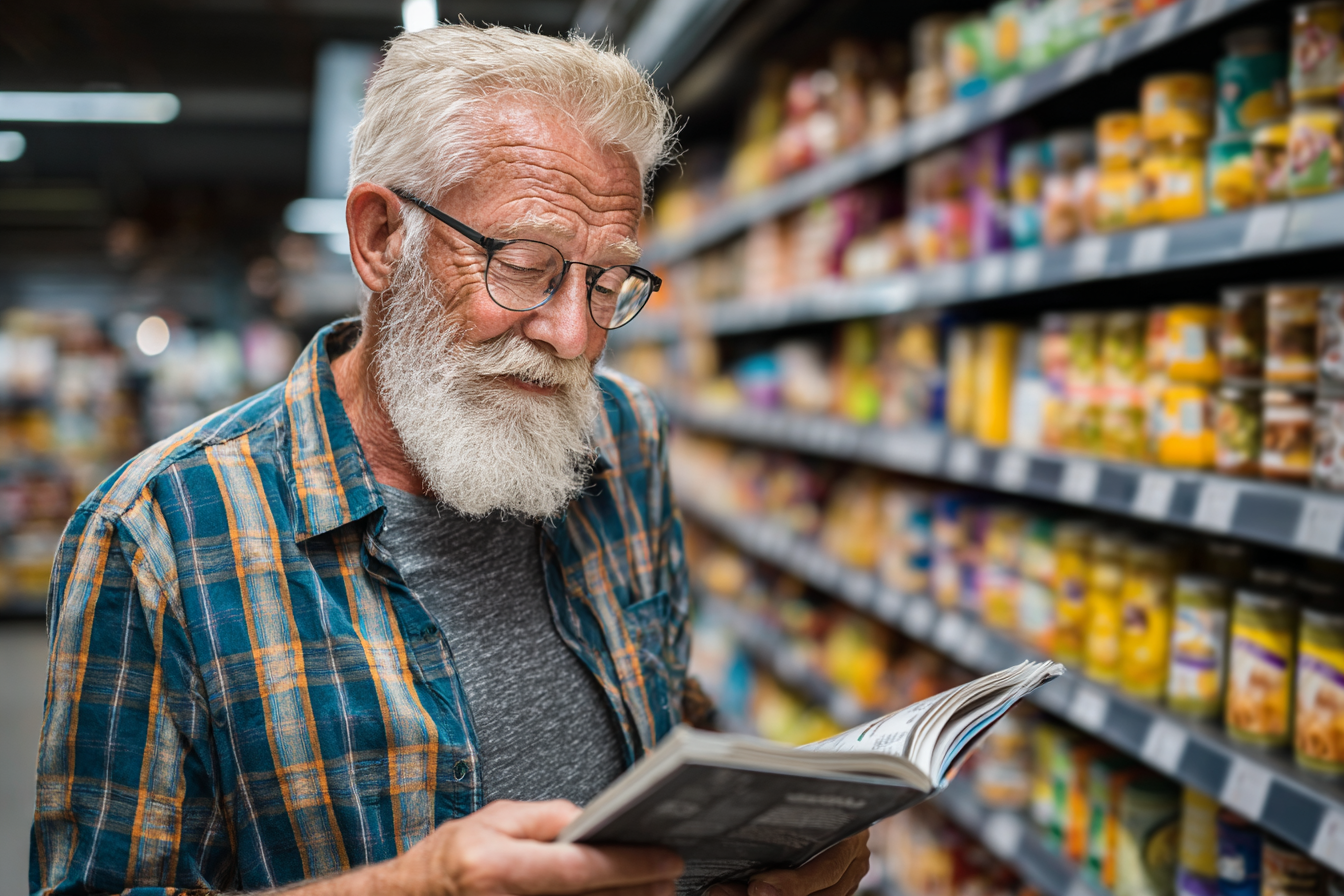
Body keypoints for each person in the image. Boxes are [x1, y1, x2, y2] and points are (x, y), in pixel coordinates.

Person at [30, 22, 869, 896]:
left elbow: (660, 710)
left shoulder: (623, 437)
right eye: (523, 265)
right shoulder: (157, 538)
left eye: (607, 281)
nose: (574, 335)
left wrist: (772, 833)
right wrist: (414, 887)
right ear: (382, 239)